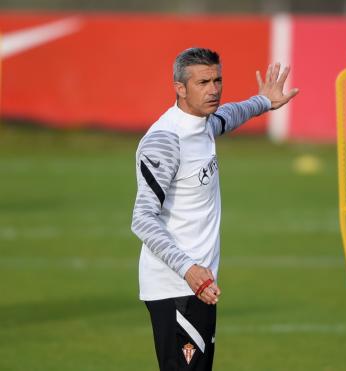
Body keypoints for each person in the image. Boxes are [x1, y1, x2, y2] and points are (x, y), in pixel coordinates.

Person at [131, 47, 298, 371]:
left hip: (200, 285)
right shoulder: (165, 140)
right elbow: (142, 217)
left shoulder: (204, 123)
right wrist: (189, 270)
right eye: (203, 82)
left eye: (217, 79)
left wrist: (263, 102)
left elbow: (230, 115)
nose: (214, 89)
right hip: (176, 286)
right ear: (180, 88)